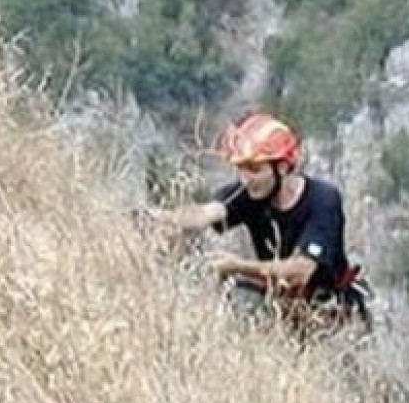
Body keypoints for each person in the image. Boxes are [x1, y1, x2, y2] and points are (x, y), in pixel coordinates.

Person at [151, 112, 372, 331]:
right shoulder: (248, 194)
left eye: (255, 169)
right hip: (283, 311)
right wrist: (164, 219)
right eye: (241, 169)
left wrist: (238, 266)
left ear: (282, 168)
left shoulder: (323, 200)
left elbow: (299, 272)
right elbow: (206, 214)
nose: (246, 179)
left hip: (331, 315)